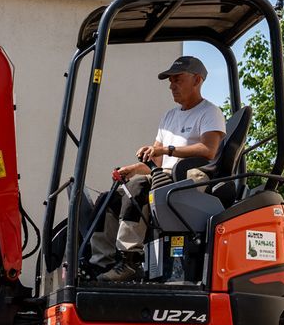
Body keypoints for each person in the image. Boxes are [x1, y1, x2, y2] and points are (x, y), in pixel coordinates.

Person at [94, 55, 225, 281]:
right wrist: (135, 168)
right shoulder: (169, 116)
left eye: (178, 79)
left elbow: (208, 150)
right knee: (109, 198)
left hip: (191, 178)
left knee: (137, 188)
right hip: (165, 176)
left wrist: (166, 150)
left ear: (197, 80)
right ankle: (102, 263)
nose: (172, 86)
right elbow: (156, 165)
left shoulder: (209, 112)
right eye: (170, 81)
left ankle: (130, 259)